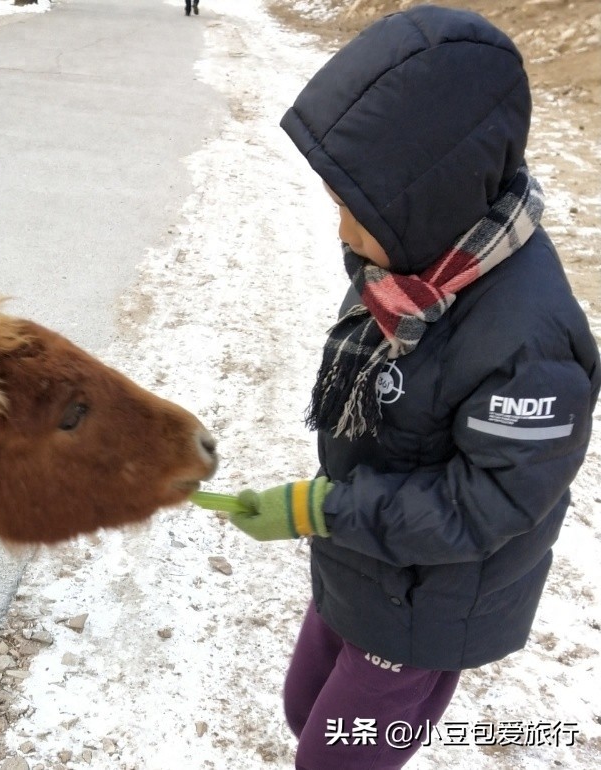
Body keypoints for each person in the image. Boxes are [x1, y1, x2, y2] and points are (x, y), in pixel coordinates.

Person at [213, 6, 600, 769]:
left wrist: (316, 508)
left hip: (430, 601)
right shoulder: (414, 270)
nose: (344, 233)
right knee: (304, 710)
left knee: (336, 757)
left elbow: (490, 502)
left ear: (432, 198)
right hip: (363, 560)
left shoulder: (531, 344)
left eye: (362, 211)